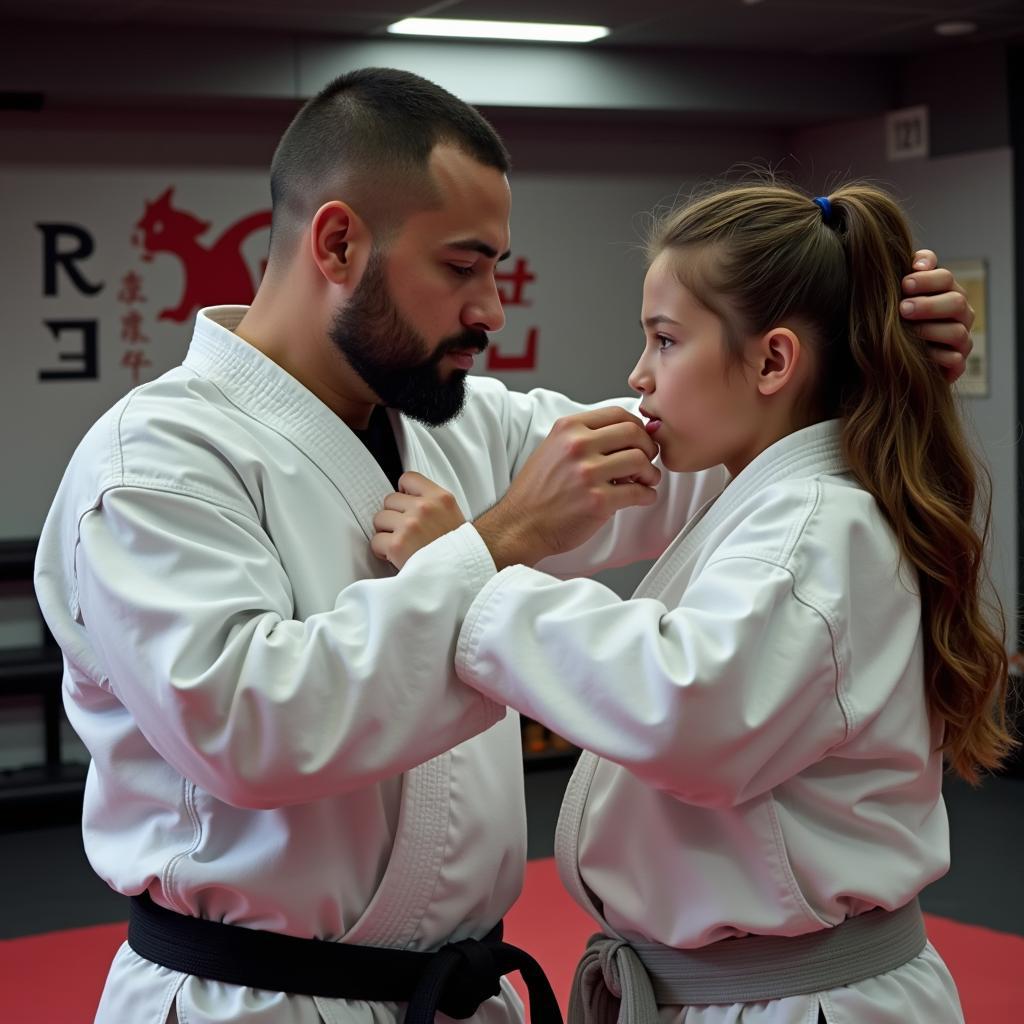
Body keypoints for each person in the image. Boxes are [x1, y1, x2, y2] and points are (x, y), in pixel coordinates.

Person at [32, 63, 973, 1024]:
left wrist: (860, 358)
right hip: (249, 998)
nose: (491, 307)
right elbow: (241, 727)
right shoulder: (153, 462)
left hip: (457, 995)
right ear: (339, 242)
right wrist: (494, 543)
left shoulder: (461, 427)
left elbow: (697, 433)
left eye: (496, 267)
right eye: (462, 265)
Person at [372, 180, 1014, 1024]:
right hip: (749, 987)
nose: (636, 376)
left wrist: (475, 582)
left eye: (665, 341)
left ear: (775, 362)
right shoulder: (778, 497)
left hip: (802, 998)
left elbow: (687, 705)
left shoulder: (820, 525)